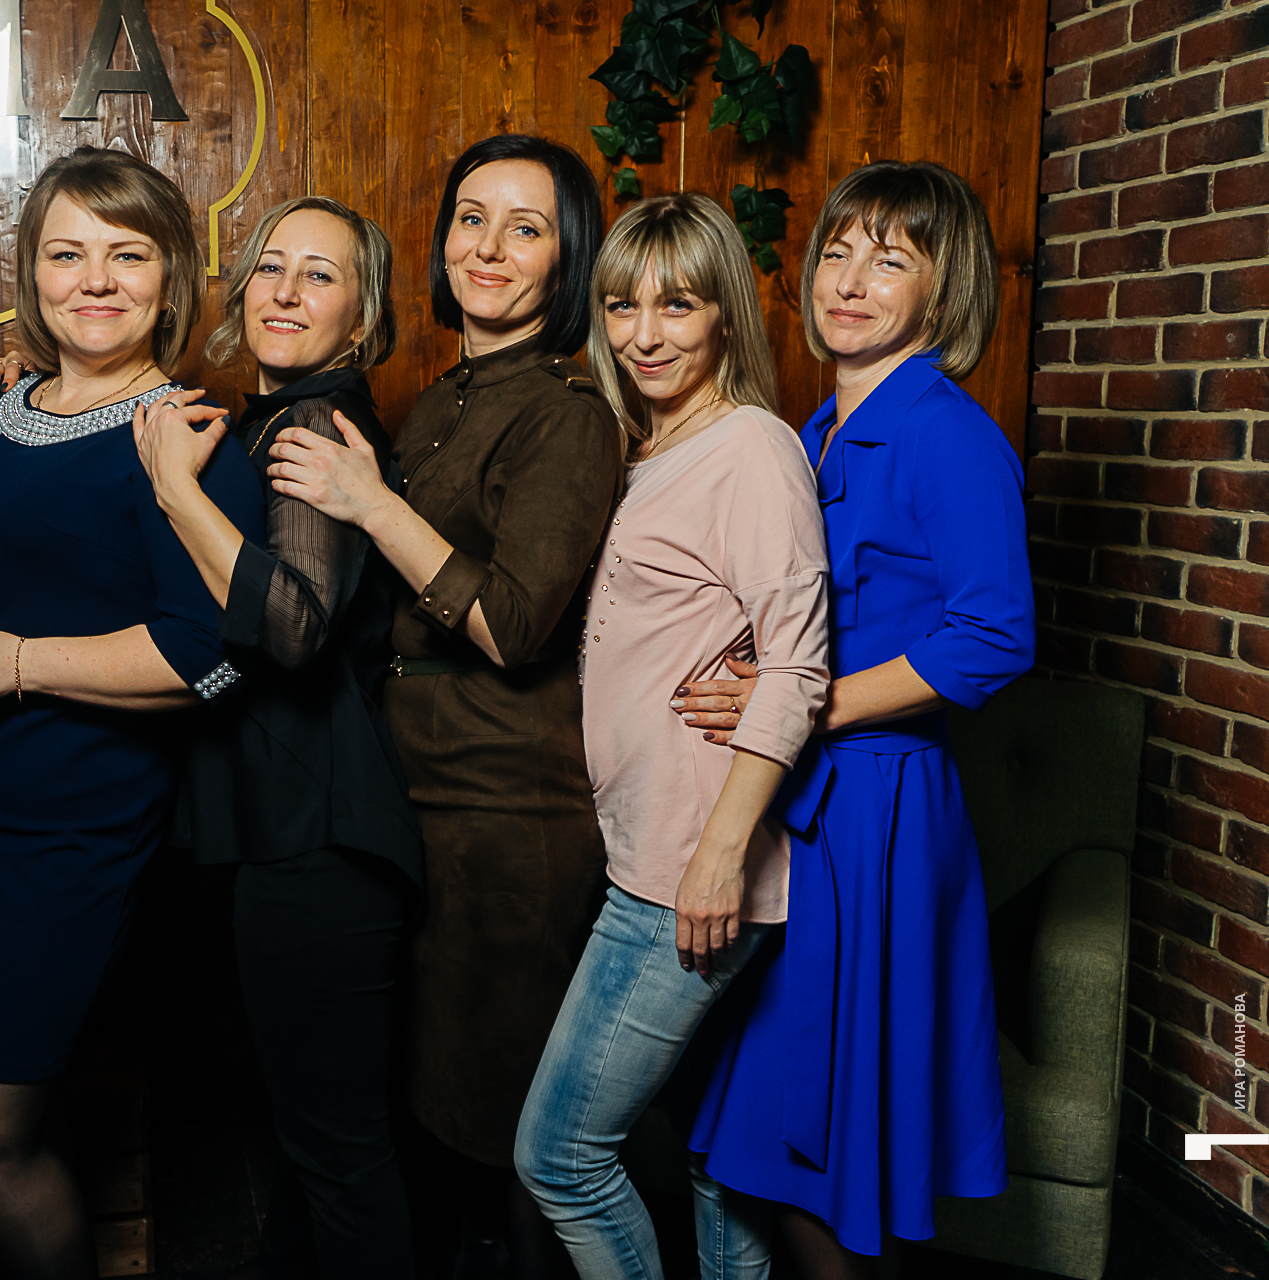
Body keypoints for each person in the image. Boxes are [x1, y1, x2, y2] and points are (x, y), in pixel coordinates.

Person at [0, 145, 265, 1279]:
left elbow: (209, 655)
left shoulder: (188, 436)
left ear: (172, 278)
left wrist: (20, 662)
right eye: (67, 254)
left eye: (127, 254)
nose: (94, 279)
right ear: (32, 272)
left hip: (57, 835)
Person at [266, 134, 618, 1278]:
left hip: (507, 811)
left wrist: (371, 502)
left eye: (527, 227)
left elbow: (514, 624)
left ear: (568, 257)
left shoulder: (567, 412)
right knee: (421, 1120)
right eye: (472, 217)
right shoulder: (439, 398)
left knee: (510, 1129)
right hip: (413, 795)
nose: (490, 247)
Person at [674, 160, 1033, 1278]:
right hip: (807, 799)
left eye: (890, 260)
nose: (850, 281)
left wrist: (800, 702)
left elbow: (995, 634)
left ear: (943, 287)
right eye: (837, 253)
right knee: (775, 1137)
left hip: (876, 811)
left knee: (822, 1152)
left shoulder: (945, 433)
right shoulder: (817, 426)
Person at [511, 193, 828, 1280]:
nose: (644, 335)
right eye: (621, 306)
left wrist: (718, 855)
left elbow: (797, 663)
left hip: (688, 870)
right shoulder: (655, 448)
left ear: (725, 313)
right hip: (653, 852)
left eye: (677, 305)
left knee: (559, 1156)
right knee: (714, 1154)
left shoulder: (751, 449)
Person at [132, 195, 422, 1279]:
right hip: (292, 829)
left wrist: (174, 490)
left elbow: (294, 627)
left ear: (362, 319)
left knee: (336, 1157)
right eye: (271, 268)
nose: (287, 292)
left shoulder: (314, 426)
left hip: (322, 839)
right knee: (309, 1153)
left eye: (321, 275)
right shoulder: (265, 422)